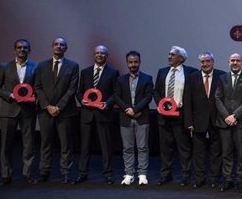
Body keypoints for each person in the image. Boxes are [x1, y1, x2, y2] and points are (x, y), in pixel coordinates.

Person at [33, 37, 80, 183]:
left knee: (65, 143)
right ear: (52, 47)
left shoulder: (73, 66)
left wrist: (58, 107)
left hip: (65, 111)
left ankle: (66, 173)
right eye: (56, 44)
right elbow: (38, 87)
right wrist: (48, 106)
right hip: (45, 111)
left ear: (66, 48)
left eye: (62, 45)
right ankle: (44, 172)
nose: (58, 46)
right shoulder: (42, 66)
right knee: (45, 143)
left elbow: (72, 89)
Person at [0, 39, 37, 185]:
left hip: (28, 110)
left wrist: (34, 96)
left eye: (25, 48)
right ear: (14, 50)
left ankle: (27, 174)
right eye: (19, 47)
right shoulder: (4, 67)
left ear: (29, 50)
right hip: (8, 110)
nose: (22, 50)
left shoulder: (35, 67)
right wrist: (11, 95)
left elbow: (38, 87)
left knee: (28, 144)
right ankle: (6, 174)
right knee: (6, 144)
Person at [75, 45, 120, 185]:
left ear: (107, 56)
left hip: (104, 114)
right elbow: (79, 91)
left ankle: (108, 174)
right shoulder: (86, 72)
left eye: (102, 53)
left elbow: (116, 93)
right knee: (85, 146)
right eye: (97, 53)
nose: (100, 55)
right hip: (87, 114)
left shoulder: (113, 72)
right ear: (93, 55)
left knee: (106, 146)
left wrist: (107, 103)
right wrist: (81, 100)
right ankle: (82, 173)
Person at [154, 46, 197, 186]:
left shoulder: (191, 72)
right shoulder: (162, 72)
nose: (169, 57)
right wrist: (160, 104)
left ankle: (185, 175)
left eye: (172, 54)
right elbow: (156, 91)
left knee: (184, 147)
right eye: (169, 54)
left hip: (181, 114)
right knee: (165, 148)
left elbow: (193, 95)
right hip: (164, 115)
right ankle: (165, 175)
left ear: (181, 58)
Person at [184, 52, 226, 188]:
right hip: (197, 120)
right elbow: (187, 100)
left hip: (217, 119)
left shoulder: (222, 76)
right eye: (202, 62)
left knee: (216, 151)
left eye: (208, 61)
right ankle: (199, 178)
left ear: (213, 62)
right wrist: (188, 121)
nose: (205, 64)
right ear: (199, 63)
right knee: (198, 151)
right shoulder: (192, 77)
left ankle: (214, 179)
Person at [214, 53, 242, 192]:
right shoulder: (222, 78)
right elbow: (218, 98)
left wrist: (235, 116)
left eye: (238, 60)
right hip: (224, 121)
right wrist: (227, 116)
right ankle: (228, 179)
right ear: (228, 62)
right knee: (226, 152)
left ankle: (240, 180)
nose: (235, 62)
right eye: (232, 60)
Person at [114, 51, 154, 185]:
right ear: (127, 63)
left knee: (142, 147)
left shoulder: (147, 78)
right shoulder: (120, 79)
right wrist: (128, 110)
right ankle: (129, 174)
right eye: (130, 62)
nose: (133, 64)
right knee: (127, 148)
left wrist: (135, 110)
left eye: (135, 62)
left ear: (140, 62)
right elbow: (117, 97)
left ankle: (142, 174)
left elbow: (148, 97)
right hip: (125, 118)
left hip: (142, 117)